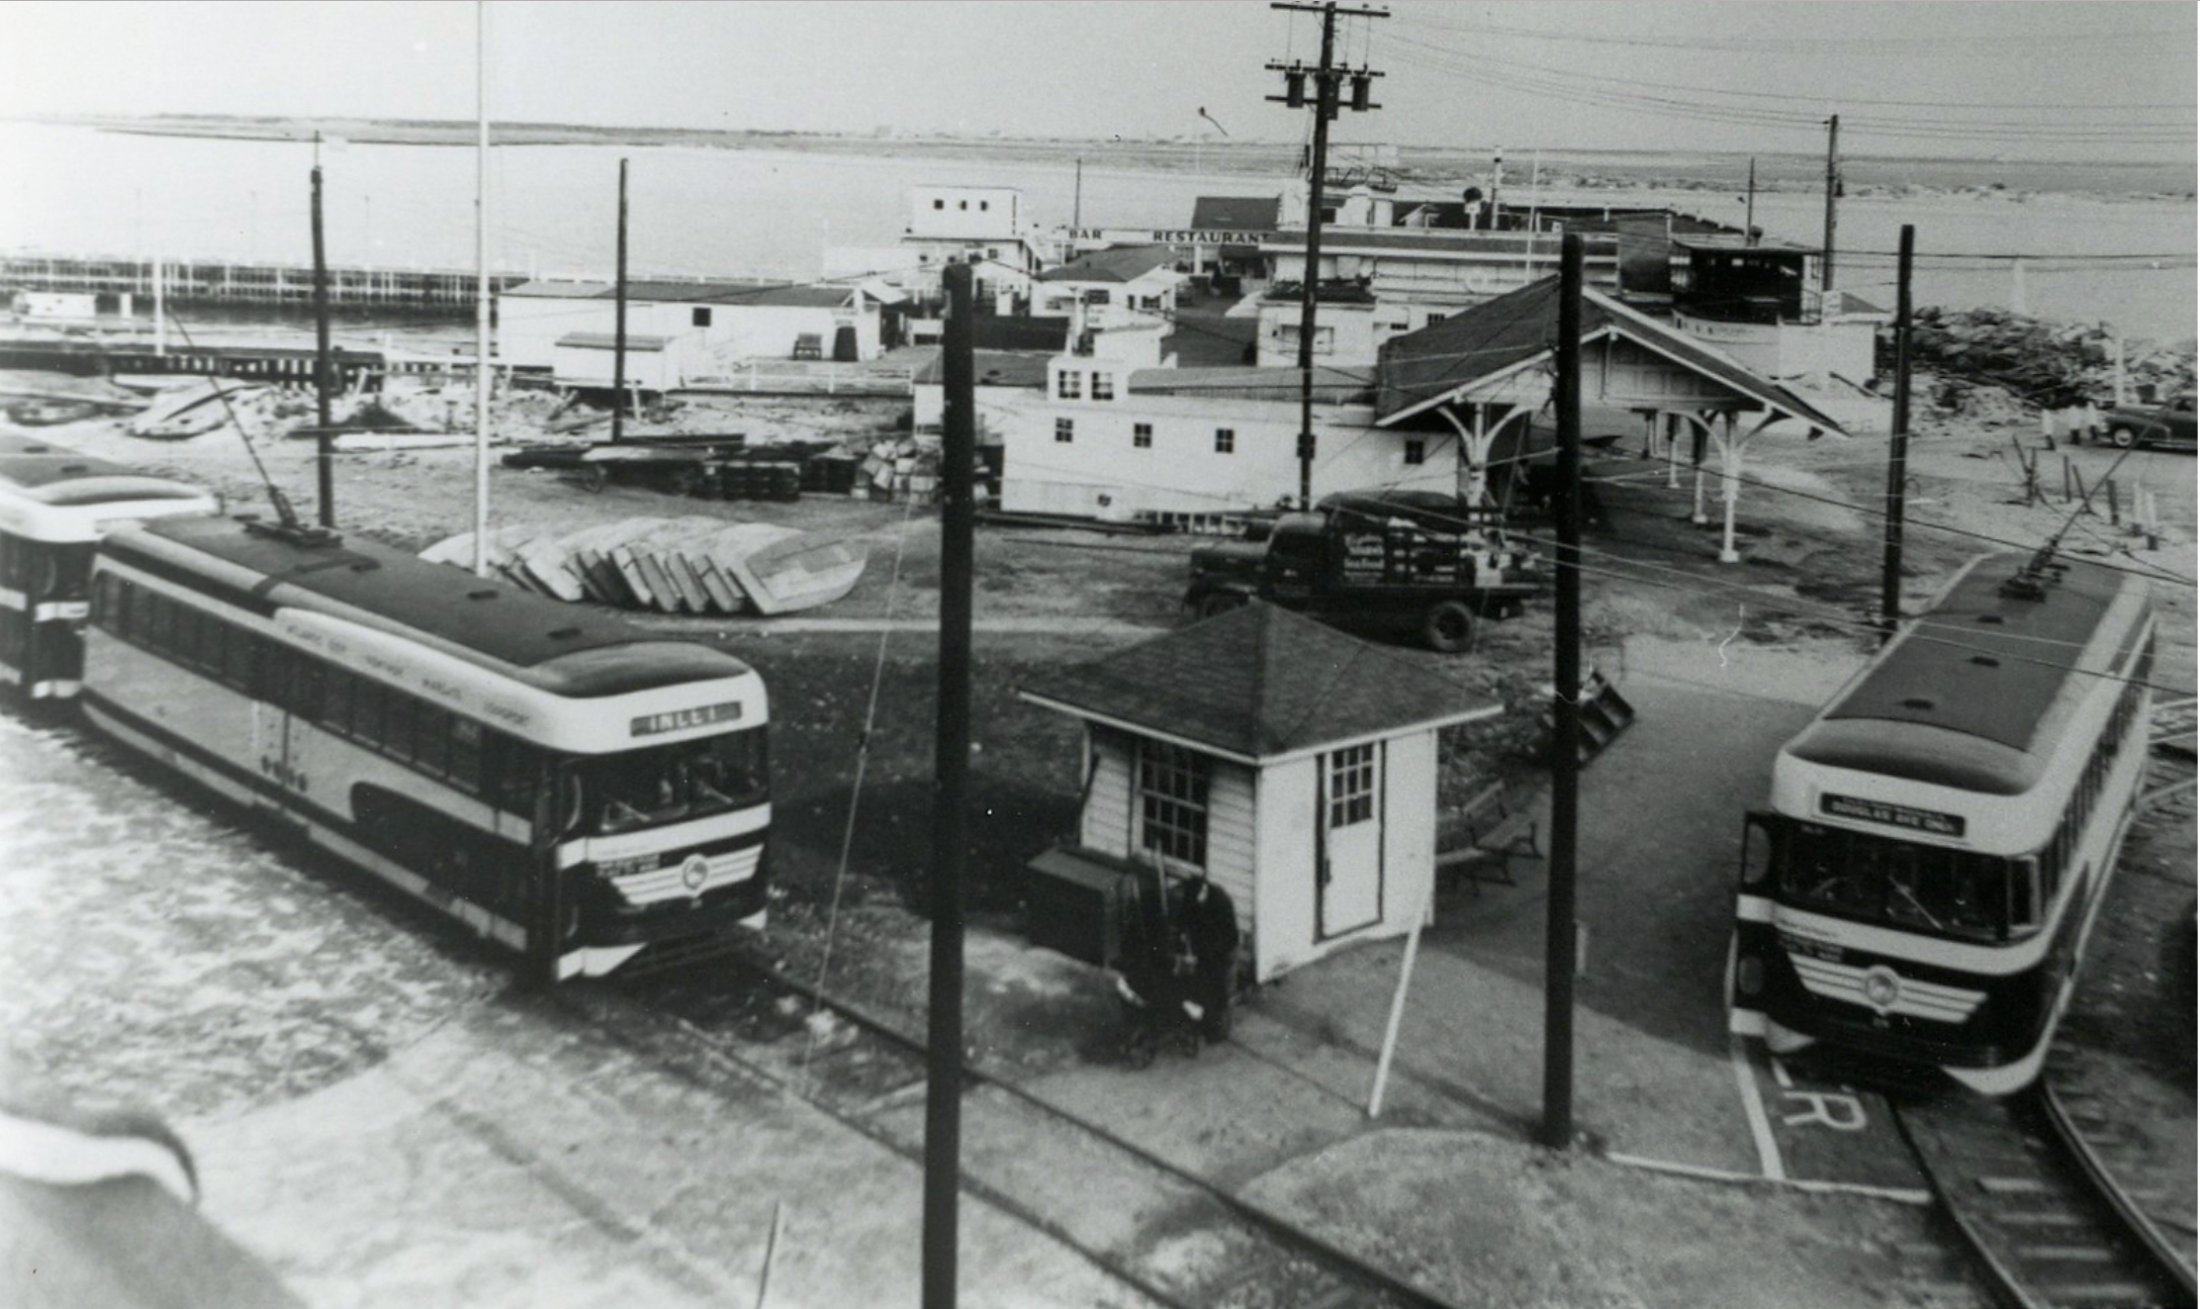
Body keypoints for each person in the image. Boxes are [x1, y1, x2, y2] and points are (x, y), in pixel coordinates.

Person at [1181, 876, 1240, 1044]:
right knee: (1204, 986)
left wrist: (1205, 955)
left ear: (1204, 890)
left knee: (1224, 989)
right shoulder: (1193, 896)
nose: (1195, 903)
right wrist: (1183, 934)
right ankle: (1207, 1023)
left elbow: (1224, 937)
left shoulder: (1221, 903)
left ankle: (1221, 1032)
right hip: (1206, 950)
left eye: (1197, 900)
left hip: (1225, 950)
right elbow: (1185, 917)